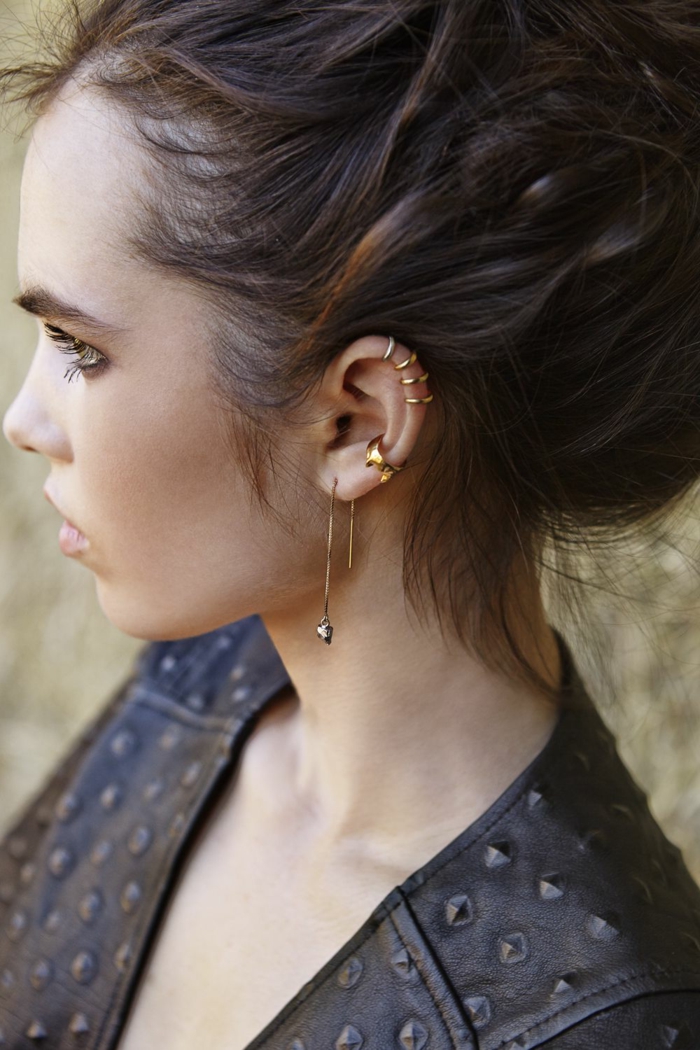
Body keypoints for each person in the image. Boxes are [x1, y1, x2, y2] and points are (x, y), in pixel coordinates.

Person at [0, 1, 700, 1047]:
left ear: (354, 423)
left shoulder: (593, 1021)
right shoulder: (208, 680)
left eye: (79, 348)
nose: (23, 419)